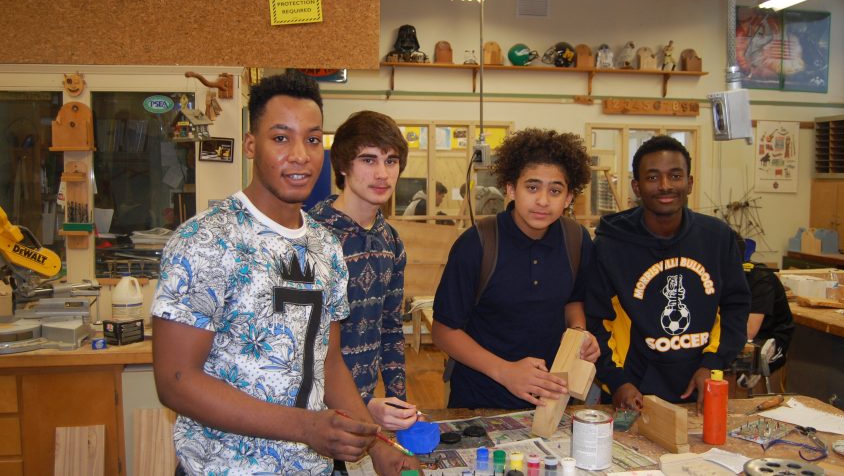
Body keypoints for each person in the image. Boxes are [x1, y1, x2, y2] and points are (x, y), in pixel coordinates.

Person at [150, 71, 417, 475]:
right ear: (250, 144)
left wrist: (375, 444)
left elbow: (329, 363)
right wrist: (306, 426)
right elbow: (175, 380)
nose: (300, 154)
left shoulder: (326, 246)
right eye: (280, 138)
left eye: (312, 139)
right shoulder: (205, 240)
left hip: (313, 468)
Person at [432, 128, 600, 409]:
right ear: (511, 188)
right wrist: (505, 371)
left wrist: (579, 333)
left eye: (555, 190)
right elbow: (443, 331)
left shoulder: (576, 239)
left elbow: (574, 299)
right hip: (480, 400)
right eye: (532, 187)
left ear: (569, 197)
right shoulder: (478, 243)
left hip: (553, 401)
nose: (543, 200)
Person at [585, 135, 750, 411]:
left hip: (699, 388)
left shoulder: (718, 238)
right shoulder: (610, 245)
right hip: (632, 393)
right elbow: (595, 321)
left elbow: (735, 307)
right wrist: (617, 381)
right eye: (652, 178)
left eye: (675, 175)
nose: (665, 186)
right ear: (637, 186)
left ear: (690, 182)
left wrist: (712, 364)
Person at [308, 110, 418, 431]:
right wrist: (364, 406)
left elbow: (390, 328)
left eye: (392, 160)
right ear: (343, 165)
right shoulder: (312, 236)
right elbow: (305, 344)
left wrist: (398, 405)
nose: (383, 173)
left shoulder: (392, 241)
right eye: (369, 160)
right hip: (311, 410)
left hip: (365, 408)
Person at [737, 234, 794, 377]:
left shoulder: (760, 279)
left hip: (767, 342)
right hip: (739, 332)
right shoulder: (723, 276)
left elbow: (749, 331)